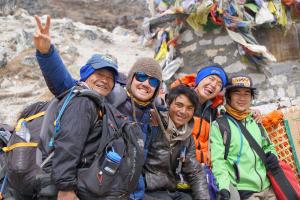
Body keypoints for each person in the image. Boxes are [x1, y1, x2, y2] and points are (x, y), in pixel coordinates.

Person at [34, 15, 162, 200]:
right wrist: (46, 53)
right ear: (131, 79)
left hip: (124, 190)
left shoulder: (155, 113)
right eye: (141, 77)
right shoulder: (103, 99)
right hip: (90, 186)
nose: (145, 84)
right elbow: (63, 84)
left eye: (153, 81)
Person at [210, 74, 278, 200]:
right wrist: (224, 187)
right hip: (244, 191)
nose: (242, 98)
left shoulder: (255, 121)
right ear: (228, 96)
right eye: (237, 93)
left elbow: (268, 146)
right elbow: (218, 161)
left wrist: (272, 155)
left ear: (251, 97)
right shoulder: (220, 125)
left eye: (247, 93)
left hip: (268, 188)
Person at [144, 84, 209, 200]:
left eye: (190, 108)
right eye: (179, 105)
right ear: (168, 104)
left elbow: (194, 172)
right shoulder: (152, 124)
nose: (183, 111)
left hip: (171, 190)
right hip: (147, 190)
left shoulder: (187, 137)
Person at [171, 65, 228, 164]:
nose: (214, 84)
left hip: (200, 166)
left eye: (219, 84)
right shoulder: (177, 99)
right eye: (211, 78)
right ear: (199, 79)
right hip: (176, 162)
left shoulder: (213, 112)